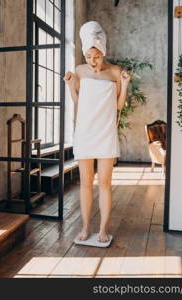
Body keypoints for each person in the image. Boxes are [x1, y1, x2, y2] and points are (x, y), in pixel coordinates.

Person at [63, 21, 131, 243]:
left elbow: (119, 106)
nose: (92, 62)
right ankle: (85, 227)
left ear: (103, 52)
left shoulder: (115, 72)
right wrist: (70, 85)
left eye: (97, 57)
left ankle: (103, 229)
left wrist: (125, 84)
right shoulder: (81, 71)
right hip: (85, 132)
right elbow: (78, 102)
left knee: (104, 184)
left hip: (105, 133)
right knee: (85, 183)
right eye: (88, 57)